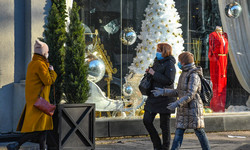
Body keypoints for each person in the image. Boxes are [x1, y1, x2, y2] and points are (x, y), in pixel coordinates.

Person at [151, 52, 210, 150]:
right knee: (179, 133)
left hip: (193, 109)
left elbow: (191, 94)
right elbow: (179, 91)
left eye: (179, 61)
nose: (178, 63)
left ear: (183, 62)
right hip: (184, 109)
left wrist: (177, 103)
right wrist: (163, 91)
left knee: (199, 132)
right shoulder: (185, 72)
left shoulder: (193, 74)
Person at [7, 40, 57, 150]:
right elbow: (48, 80)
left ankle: (41, 148)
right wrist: (52, 71)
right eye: (47, 51)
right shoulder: (40, 65)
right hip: (41, 102)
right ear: (44, 53)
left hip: (35, 101)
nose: (48, 53)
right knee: (39, 130)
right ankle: (17, 144)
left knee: (43, 129)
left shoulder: (32, 64)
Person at [143, 43, 176, 150]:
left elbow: (169, 80)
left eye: (159, 50)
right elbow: (154, 75)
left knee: (164, 125)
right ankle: (157, 144)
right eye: (157, 50)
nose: (157, 52)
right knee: (147, 120)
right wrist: (149, 72)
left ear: (165, 51)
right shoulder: (157, 61)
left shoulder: (170, 64)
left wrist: (154, 73)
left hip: (165, 97)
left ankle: (165, 147)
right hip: (153, 96)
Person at [208, 26, 228, 112]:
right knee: (216, 82)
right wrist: (214, 59)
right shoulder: (213, 35)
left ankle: (222, 105)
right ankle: (216, 106)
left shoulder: (225, 35)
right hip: (216, 60)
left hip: (224, 59)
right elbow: (211, 49)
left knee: (223, 82)